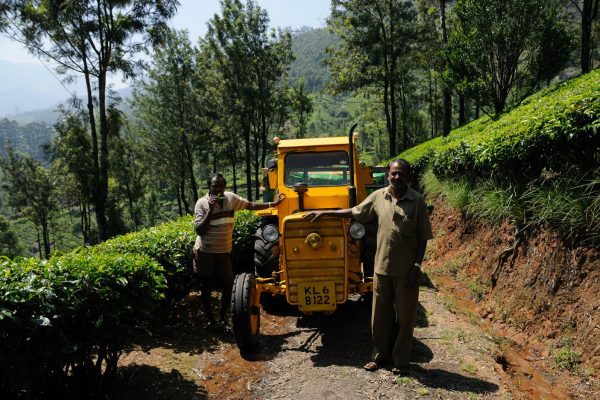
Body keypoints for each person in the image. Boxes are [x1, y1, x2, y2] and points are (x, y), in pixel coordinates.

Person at [304, 159, 433, 375]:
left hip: (406, 272)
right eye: (393, 173)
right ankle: (380, 356)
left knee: (405, 317)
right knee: (379, 317)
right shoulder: (378, 197)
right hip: (381, 270)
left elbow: (423, 239)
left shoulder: (417, 201)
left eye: (401, 173)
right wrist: (326, 213)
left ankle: (401, 361)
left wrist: (417, 265)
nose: (396, 177)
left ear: (408, 176)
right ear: (388, 175)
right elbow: (355, 212)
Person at [194, 173, 282, 333]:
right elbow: (199, 230)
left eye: (220, 186)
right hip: (205, 252)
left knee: (228, 285)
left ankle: (222, 318)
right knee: (206, 287)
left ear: (224, 187)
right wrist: (210, 210)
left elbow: (251, 206)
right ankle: (211, 322)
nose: (217, 190)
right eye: (214, 186)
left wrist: (273, 203)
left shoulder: (230, 199)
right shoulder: (201, 203)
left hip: (223, 252)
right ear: (209, 186)